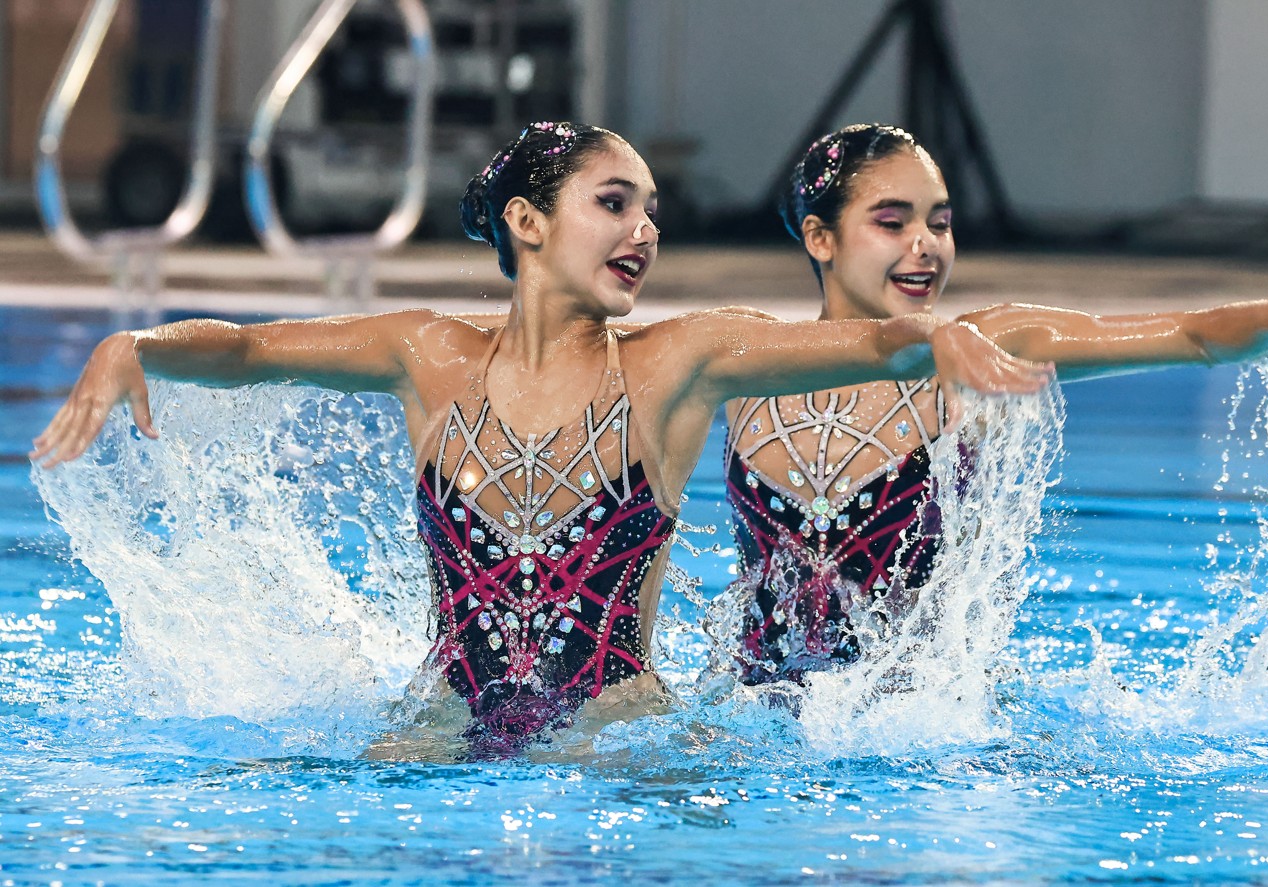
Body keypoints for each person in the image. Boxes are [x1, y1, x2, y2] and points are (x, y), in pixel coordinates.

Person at [30, 122, 1051, 757]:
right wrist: (138, 343)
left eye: (652, 210)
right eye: (614, 204)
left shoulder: (673, 360)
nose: (644, 231)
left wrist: (934, 339)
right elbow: (251, 351)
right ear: (527, 220)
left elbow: (863, 341)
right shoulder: (426, 355)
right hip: (437, 732)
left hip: (622, 747)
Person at [721, 123, 1268, 686]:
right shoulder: (748, 365)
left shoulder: (984, 347)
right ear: (820, 238)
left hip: (923, 723)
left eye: (939, 222)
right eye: (892, 222)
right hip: (761, 714)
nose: (925, 246)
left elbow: (1186, 334)